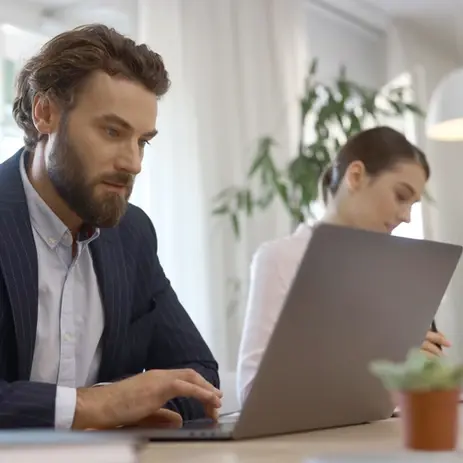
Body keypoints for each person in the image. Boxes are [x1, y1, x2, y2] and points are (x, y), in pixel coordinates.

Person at [0, 24, 222, 429]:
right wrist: (94, 407)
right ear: (46, 113)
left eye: (142, 141)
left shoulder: (132, 234)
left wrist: (140, 412)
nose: (133, 162)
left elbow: (199, 373)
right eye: (112, 132)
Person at [236, 126, 451, 406]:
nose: (407, 217)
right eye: (400, 196)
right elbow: (252, 395)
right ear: (356, 176)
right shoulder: (281, 259)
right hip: (310, 445)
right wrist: (379, 367)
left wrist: (419, 373)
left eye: (412, 204)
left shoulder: (396, 274)